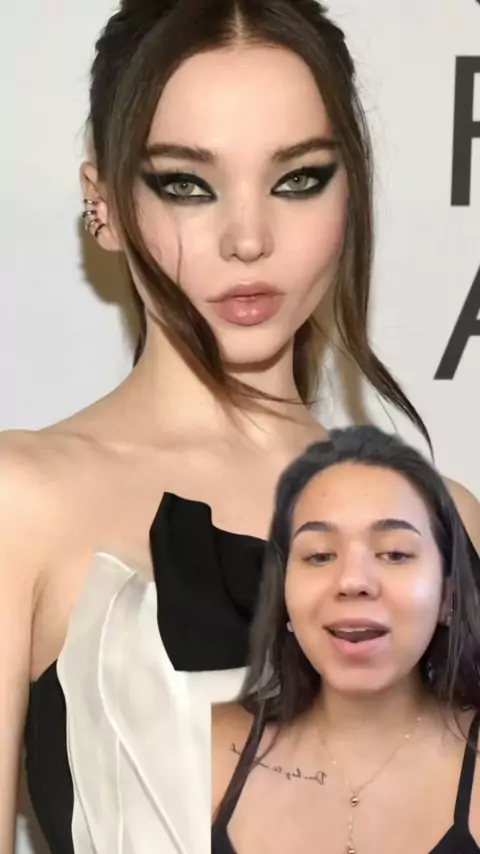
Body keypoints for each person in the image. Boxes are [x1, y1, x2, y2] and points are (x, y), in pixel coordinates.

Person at [1, 1, 479, 853]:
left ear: (352, 190)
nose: (248, 239)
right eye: (186, 184)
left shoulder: (451, 524)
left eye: (298, 179)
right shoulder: (22, 504)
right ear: (102, 203)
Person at [211, 426, 480, 854]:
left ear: (448, 597)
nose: (353, 581)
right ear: (285, 599)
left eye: (395, 553)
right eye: (319, 555)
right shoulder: (203, 751)